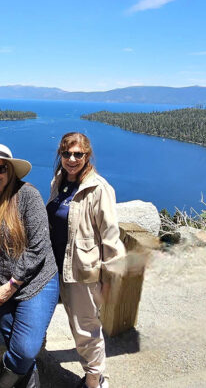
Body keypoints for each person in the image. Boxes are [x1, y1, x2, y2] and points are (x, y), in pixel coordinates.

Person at [0, 144, 59, 388]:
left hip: (35, 282)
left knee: (25, 350)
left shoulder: (28, 195)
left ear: (10, 170)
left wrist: (12, 284)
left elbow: (38, 247)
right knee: (18, 349)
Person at [46, 133, 126, 388]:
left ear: (87, 156)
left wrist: (109, 279)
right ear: (60, 154)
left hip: (82, 271)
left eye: (78, 154)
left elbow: (111, 237)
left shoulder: (99, 189)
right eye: (67, 154)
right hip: (55, 267)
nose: (71, 159)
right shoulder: (59, 181)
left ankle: (94, 380)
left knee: (86, 330)